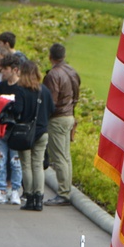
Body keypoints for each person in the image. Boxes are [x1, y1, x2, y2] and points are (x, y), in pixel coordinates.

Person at [6, 59, 54, 211]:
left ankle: (29, 196)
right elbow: (51, 109)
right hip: (41, 131)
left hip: (25, 132)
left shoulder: (21, 89)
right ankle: (39, 198)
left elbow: (18, 109)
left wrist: (10, 106)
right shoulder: (44, 90)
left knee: (26, 165)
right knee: (38, 164)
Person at [43, 42, 80, 206]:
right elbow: (76, 94)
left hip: (57, 118)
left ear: (50, 57)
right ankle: (66, 189)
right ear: (63, 56)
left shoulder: (53, 74)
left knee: (58, 157)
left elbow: (51, 101)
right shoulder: (71, 71)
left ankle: (63, 193)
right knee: (65, 156)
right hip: (69, 115)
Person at [0, 53, 23, 206]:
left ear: (15, 70)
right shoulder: (2, 85)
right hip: (1, 127)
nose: (3, 73)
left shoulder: (21, 86)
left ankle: (15, 190)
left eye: (6, 69)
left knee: (15, 161)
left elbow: (21, 107)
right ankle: (1, 190)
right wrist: (9, 102)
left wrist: (3, 101)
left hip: (16, 129)